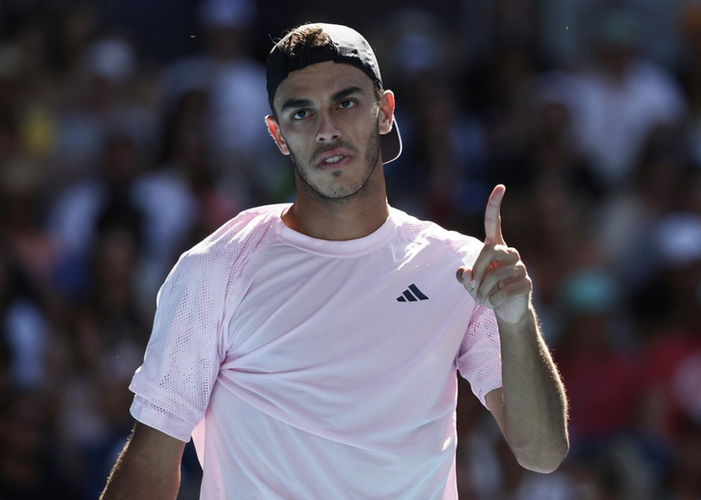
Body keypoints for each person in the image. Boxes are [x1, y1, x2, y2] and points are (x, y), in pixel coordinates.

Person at [99, 23, 568, 499]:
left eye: (345, 103)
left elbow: (542, 452)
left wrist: (516, 319)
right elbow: (151, 460)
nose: (327, 130)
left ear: (385, 111)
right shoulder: (215, 269)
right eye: (301, 113)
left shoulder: (461, 268)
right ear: (278, 135)